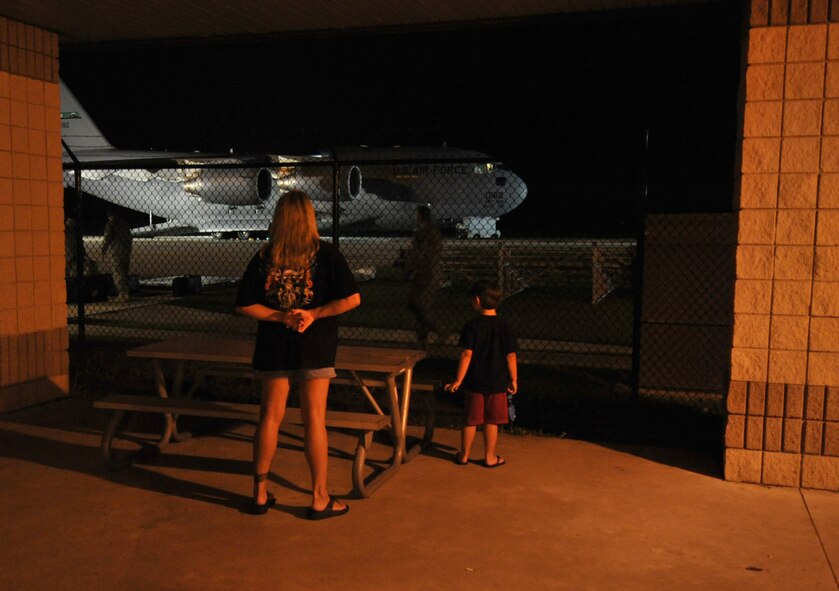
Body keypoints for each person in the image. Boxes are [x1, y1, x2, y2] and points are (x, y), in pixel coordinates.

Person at [235, 190, 361, 518]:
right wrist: (313, 314)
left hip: (274, 348)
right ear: (309, 218)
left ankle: (260, 493)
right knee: (314, 420)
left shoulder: (264, 257)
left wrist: (279, 316)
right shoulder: (327, 255)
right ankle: (319, 497)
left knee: (270, 417)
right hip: (315, 347)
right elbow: (352, 299)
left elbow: (245, 304)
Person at [444, 280, 518, 468]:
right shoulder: (505, 325)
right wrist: (514, 378)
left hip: (474, 381)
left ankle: (464, 455)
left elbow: (467, 354)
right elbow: (510, 356)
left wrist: (458, 379)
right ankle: (489, 457)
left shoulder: (472, 325)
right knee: (492, 421)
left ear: (477, 300)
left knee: (471, 420)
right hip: (497, 381)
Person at [404, 204, 442, 345]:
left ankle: (439, 329)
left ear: (420, 216)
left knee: (417, 304)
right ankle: (422, 338)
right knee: (420, 305)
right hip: (431, 272)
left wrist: (408, 270)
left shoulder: (422, 234)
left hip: (426, 273)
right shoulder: (433, 232)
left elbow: (418, 255)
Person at [101, 209, 133, 301]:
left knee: (117, 273)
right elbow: (129, 237)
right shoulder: (124, 224)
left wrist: (103, 249)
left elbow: (107, 238)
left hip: (116, 252)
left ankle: (122, 293)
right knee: (124, 272)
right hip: (125, 251)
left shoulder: (111, 224)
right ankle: (126, 292)